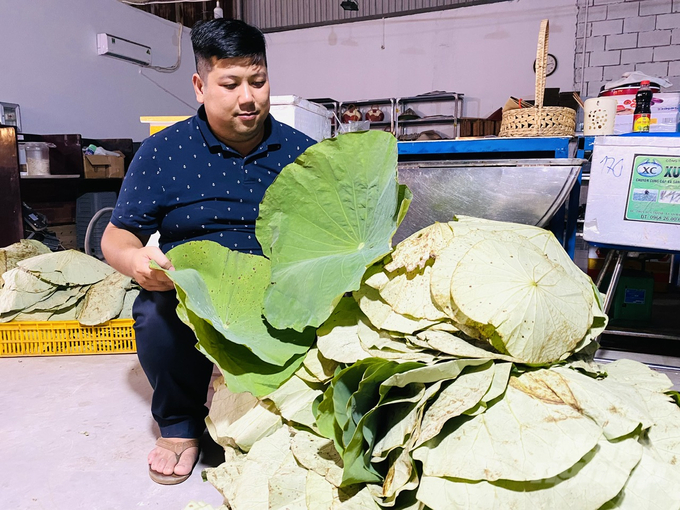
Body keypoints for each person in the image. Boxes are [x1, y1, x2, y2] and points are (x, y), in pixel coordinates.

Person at [101, 18, 315, 485]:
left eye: (258, 81)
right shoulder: (162, 151)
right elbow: (116, 237)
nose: (248, 97)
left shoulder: (304, 154)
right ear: (200, 85)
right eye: (230, 83)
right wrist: (137, 261)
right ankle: (179, 424)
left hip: (278, 290)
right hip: (194, 293)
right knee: (155, 313)